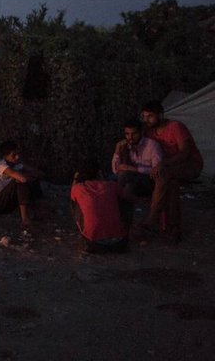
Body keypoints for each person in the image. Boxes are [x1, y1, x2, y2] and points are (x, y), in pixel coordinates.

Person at [140, 100, 204, 241]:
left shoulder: (175, 127)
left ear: (161, 115)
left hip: (190, 165)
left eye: (150, 116)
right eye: (144, 116)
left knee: (164, 175)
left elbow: (185, 153)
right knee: (172, 184)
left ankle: (152, 219)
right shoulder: (149, 131)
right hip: (170, 169)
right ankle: (173, 228)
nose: (147, 119)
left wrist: (163, 164)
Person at [70, 160, 135, 253]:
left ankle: (88, 232)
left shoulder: (78, 188)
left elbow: (73, 194)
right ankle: (120, 229)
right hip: (119, 242)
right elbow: (129, 198)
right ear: (99, 173)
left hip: (93, 244)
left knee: (75, 202)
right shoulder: (111, 185)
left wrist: (76, 178)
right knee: (125, 200)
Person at [0, 141, 44, 227]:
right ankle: (25, 219)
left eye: (17, 154)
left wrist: (30, 174)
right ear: (5, 156)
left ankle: (37, 212)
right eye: (13, 155)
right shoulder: (2, 166)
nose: (17, 157)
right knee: (20, 182)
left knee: (32, 181)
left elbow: (38, 173)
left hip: (6, 200)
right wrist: (29, 175)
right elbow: (22, 179)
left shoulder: (16, 164)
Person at [111, 117, 164, 198]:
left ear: (141, 132)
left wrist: (133, 169)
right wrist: (117, 151)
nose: (130, 137)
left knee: (123, 175)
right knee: (126, 185)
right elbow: (115, 170)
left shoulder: (152, 145)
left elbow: (156, 171)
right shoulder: (126, 146)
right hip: (132, 179)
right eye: (127, 134)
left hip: (150, 180)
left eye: (134, 134)